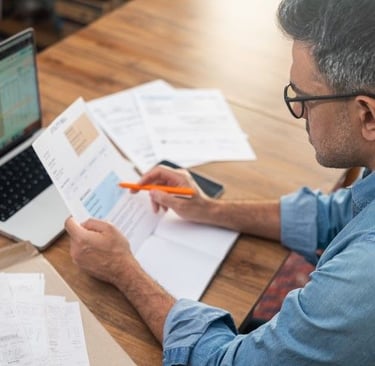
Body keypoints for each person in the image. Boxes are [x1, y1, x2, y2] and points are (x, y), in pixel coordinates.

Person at [64, 0, 375, 364]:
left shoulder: (360, 277)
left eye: (305, 98)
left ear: (367, 115)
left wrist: (123, 270)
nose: (299, 113)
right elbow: (338, 215)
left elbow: (221, 361)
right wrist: (209, 209)